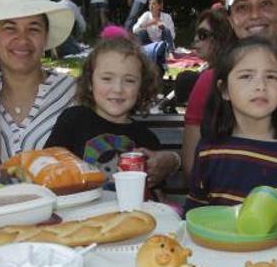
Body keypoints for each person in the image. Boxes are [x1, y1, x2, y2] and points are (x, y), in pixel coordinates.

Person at [186, 37, 277, 210]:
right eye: (246, 76)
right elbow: (195, 212)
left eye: (271, 76)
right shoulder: (208, 149)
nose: (261, 85)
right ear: (224, 90)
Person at [182, 0, 277, 177]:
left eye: (265, 4)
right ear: (230, 18)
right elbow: (192, 168)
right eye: (242, 7)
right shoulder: (211, 81)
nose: (255, 15)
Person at [45, 37, 180, 187]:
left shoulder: (146, 139)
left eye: (129, 80)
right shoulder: (73, 120)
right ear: (90, 82)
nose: (117, 89)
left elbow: (155, 196)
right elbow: (46, 168)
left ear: (141, 88)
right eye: (107, 78)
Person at [0, 0, 77, 167]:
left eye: (33, 29)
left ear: (46, 36)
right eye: (9, 28)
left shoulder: (75, 93)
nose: (22, 40)